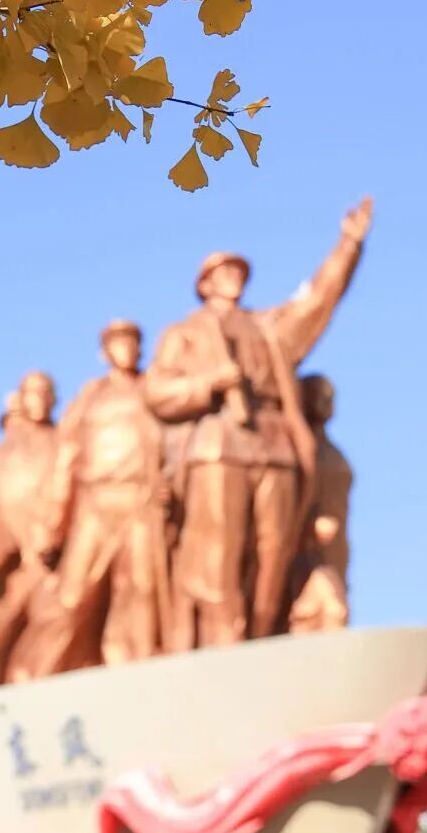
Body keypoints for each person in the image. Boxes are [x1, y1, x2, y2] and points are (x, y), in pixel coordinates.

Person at [143, 199, 373, 648]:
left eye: (238, 270)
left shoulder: (268, 328)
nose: (234, 277)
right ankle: (222, 646)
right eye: (224, 271)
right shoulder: (184, 334)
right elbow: (158, 392)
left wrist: (348, 245)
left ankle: (264, 640)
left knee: (273, 556)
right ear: (205, 284)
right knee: (220, 555)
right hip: (218, 447)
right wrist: (208, 383)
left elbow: (317, 300)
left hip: (276, 447)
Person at [12, 321, 169, 676]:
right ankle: (35, 674)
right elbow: (66, 458)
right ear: (104, 353)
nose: (125, 349)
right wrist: (52, 525)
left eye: (131, 342)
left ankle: (138, 672)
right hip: (95, 504)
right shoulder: (90, 397)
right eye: (116, 343)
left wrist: (168, 482)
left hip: (140, 501)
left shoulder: (152, 388)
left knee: (140, 591)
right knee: (72, 596)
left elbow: (173, 444)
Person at [0, 371, 61, 688]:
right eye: (31, 393)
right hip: (13, 569)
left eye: (45, 392)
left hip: (58, 562)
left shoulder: (64, 442)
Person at [287, 374, 353, 636]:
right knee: (329, 609)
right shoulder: (299, 450)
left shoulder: (333, 453)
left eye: (330, 398)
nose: (327, 404)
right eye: (320, 396)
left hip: (335, 547)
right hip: (306, 551)